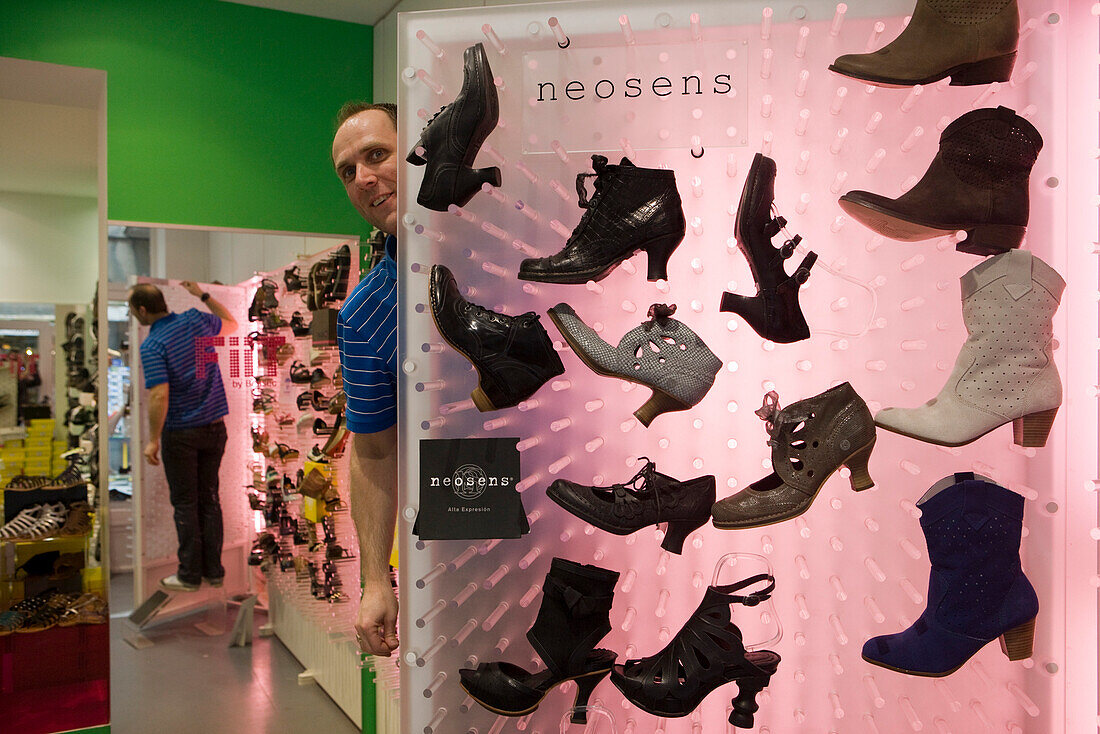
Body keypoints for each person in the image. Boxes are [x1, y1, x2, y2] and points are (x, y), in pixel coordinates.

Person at [331, 102, 400, 656]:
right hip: (467, 522)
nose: (363, 179)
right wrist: (375, 579)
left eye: (376, 154)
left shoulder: (519, 244)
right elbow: (373, 451)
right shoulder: (364, 312)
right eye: (348, 172)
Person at [131, 281, 237, 592]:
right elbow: (231, 324)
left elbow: (159, 396)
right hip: (216, 428)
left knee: (186, 503)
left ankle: (190, 575)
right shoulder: (194, 319)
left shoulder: (153, 345)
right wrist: (202, 296)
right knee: (210, 499)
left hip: (181, 433)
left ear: (141, 310)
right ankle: (214, 571)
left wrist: (153, 439)